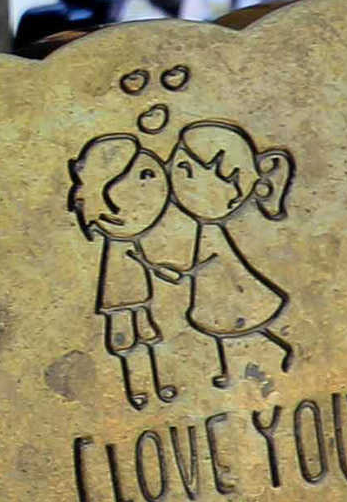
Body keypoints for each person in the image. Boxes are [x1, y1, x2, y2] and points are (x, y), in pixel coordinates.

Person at [163, 121, 299, 387]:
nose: (177, 181)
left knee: (236, 324)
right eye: (180, 168)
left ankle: (281, 348)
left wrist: (186, 271)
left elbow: (211, 259)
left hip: (224, 284)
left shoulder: (211, 233)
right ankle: (230, 371)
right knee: (223, 328)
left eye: (189, 171)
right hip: (216, 288)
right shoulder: (203, 229)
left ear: (234, 197)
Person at [66, 133, 182, 409]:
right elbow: (138, 260)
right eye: (144, 177)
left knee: (147, 333)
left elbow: (143, 259)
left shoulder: (129, 243)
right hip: (119, 294)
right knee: (125, 340)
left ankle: (155, 386)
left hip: (138, 292)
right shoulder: (119, 245)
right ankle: (137, 389)